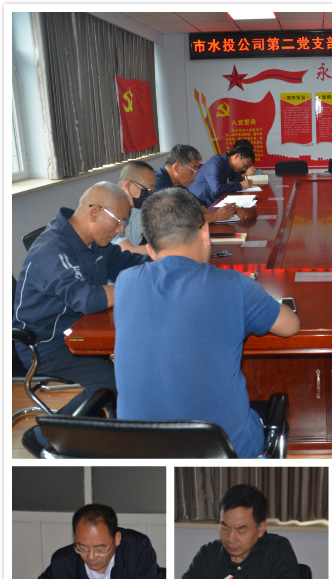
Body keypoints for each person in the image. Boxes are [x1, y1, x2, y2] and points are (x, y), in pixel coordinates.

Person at [113, 188, 299, 457]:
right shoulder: (235, 285)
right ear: (204, 233)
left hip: (140, 452)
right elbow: (291, 326)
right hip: (224, 450)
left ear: (150, 250)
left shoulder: (125, 282)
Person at [13, 182, 149, 456]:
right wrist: (137, 286)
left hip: (81, 333)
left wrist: (169, 264)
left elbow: (127, 262)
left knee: (140, 364)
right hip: (45, 346)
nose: (121, 230)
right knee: (116, 383)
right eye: (120, 221)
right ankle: (41, 435)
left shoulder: (94, 242)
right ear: (95, 211)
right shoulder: (51, 250)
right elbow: (85, 299)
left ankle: (111, 428)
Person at [21, 504, 165, 579]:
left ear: (117, 539)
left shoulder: (136, 551)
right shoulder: (64, 563)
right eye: (82, 547)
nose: (91, 557)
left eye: (100, 549)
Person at [175, 484, 300, 579]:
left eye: (241, 530)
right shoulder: (208, 554)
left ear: (261, 528)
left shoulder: (277, 549)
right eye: (224, 527)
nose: (230, 538)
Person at [154, 144, 236, 224]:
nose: (195, 175)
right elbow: (176, 220)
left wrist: (209, 214)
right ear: (176, 167)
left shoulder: (177, 183)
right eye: (193, 170)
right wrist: (214, 217)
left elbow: (195, 201)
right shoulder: (158, 184)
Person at [111, 160, 157, 255]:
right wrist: (168, 249)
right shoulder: (109, 210)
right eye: (148, 189)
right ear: (128, 185)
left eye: (153, 190)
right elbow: (128, 251)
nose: (151, 194)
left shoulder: (138, 208)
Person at [188, 144, 255, 207]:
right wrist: (241, 185)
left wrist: (242, 182)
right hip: (198, 203)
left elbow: (234, 180)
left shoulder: (230, 166)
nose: (245, 169)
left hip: (212, 201)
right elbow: (217, 189)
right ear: (237, 156)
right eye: (246, 165)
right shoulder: (216, 163)